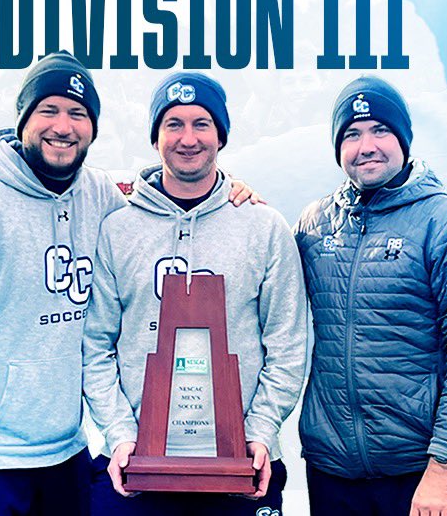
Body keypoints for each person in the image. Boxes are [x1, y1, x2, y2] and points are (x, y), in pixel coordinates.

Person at [0, 52, 259, 515]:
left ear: (92, 127)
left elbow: (162, 194)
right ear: (23, 118)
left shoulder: (98, 193)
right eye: (48, 110)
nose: (63, 127)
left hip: (69, 451)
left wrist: (227, 191)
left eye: (77, 114)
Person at [83, 72, 308, 516]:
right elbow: (95, 346)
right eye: (173, 124)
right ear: (155, 137)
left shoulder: (263, 227)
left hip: (241, 468)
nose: (188, 138)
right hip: (136, 468)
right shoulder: (117, 229)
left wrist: (259, 431)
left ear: (221, 135)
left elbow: (287, 346)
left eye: (202, 124)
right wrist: (120, 434)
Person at [294, 76, 447, 516]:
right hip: (333, 475)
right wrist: (233, 192)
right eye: (351, 134)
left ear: (404, 139)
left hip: (422, 474)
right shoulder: (313, 226)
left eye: (380, 130)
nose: (366, 145)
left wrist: (443, 466)